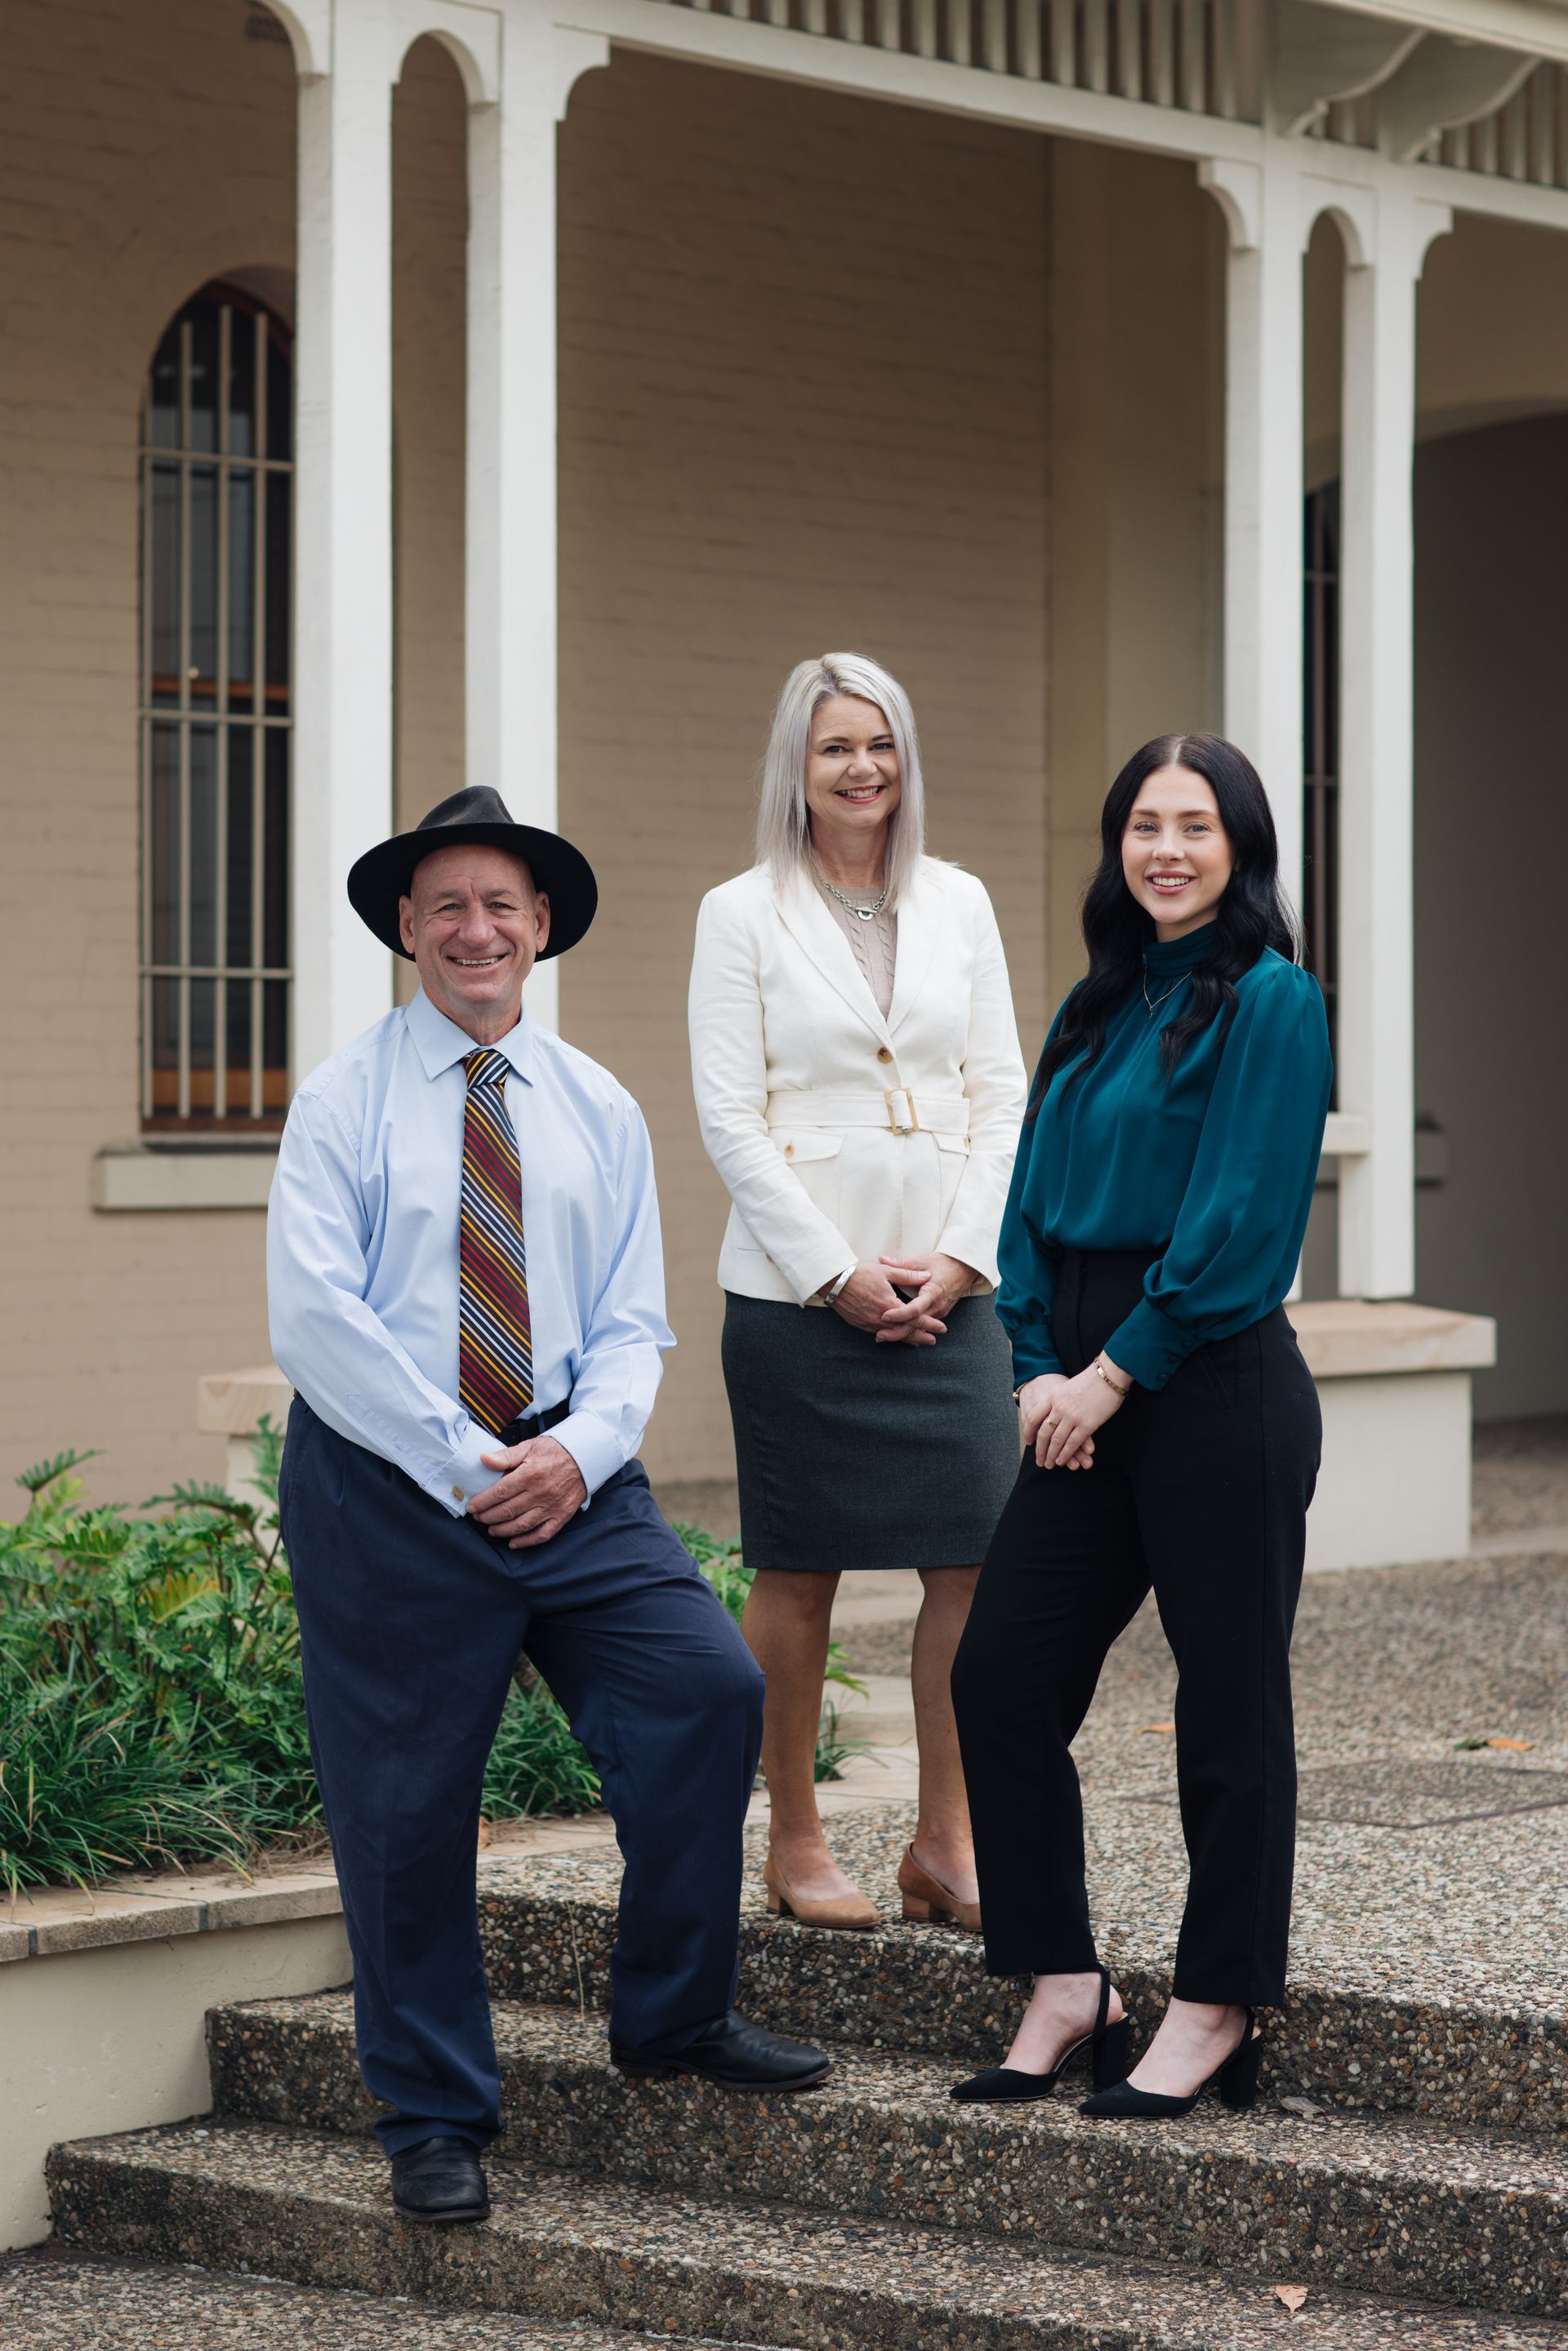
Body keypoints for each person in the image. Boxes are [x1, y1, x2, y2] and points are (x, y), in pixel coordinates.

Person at [270, 786, 828, 2229]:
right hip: (392, 1485)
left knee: (709, 1693)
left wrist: (577, 1454)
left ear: (542, 931)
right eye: (446, 905)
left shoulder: (599, 1109)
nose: (475, 930)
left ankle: (671, 2018)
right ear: (406, 927)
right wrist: (468, 1464)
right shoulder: (341, 1102)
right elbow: (319, 1324)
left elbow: (634, 1323)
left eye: (500, 907)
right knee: (406, 1809)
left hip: (574, 1476)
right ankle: (434, 2113)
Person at [950, 732, 1330, 2117]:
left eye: (1196, 826)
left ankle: (1220, 2001)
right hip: (1078, 1391)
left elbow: (1240, 1221)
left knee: (1227, 1701)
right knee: (1002, 1676)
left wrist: (1112, 1374)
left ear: (1241, 847)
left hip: (1213, 1380)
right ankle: (1064, 1982)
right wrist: (1039, 1370)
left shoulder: (1274, 1002)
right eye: (1143, 826)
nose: (1166, 850)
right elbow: (1025, 1206)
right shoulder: (1097, 1003)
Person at [688, 654, 1027, 1933]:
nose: (863, 768)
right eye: (836, 746)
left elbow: (1001, 1090)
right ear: (797, 762)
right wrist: (834, 1273)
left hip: (952, 1287)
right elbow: (729, 1117)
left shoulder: (963, 902)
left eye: (880, 743)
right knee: (801, 1569)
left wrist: (962, 1257)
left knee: (978, 1562)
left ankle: (948, 1846)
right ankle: (795, 1841)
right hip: (795, 1302)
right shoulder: (741, 913)